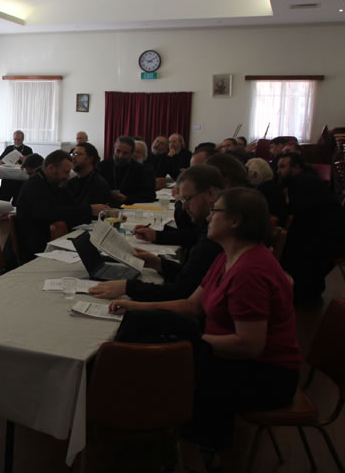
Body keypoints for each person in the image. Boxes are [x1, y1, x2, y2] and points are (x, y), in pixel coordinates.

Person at [110, 188, 301, 457]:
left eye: (215, 211)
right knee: (142, 325)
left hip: (266, 376)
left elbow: (250, 345)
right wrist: (137, 306)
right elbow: (192, 305)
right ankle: (148, 436)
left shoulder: (250, 272)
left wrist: (190, 342)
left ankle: (185, 450)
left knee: (163, 363)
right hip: (233, 357)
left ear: (235, 220)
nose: (209, 217)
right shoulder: (226, 256)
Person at [89, 164, 224, 302]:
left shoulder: (214, 238)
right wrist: (158, 263)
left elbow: (180, 292)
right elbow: (190, 277)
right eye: (182, 200)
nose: (183, 206)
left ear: (211, 194)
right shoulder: (209, 229)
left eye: (188, 199)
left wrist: (128, 287)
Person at [277, 152, 344, 305]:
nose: (278, 171)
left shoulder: (304, 183)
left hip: (331, 238)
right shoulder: (304, 179)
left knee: (293, 245)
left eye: (282, 167)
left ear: (296, 167)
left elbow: (300, 213)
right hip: (326, 233)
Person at [13, 150, 81, 264]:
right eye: (65, 172)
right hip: (33, 251)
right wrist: (88, 210)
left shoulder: (53, 183)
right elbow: (52, 213)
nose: (68, 176)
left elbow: (72, 206)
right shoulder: (34, 186)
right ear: (51, 168)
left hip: (47, 242)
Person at [96, 136, 156, 206]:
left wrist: (127, 199)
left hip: (130, 208)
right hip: (104, 207)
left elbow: (150, 195)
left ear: (131, 153)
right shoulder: (102, 166)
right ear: (114, 149)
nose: (120, 156)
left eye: (125, 153)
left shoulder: (141, 170)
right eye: (118, 151)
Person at [65, 142, 111, 224]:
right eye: (73, 154)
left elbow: (91, 215)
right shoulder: (70, 182)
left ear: (90, 159)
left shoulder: (98, 184)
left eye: (78, 154)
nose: (73, 158)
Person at [246, 157, 287, 226]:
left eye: (248, 173)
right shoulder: (273, 186)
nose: (247, 177)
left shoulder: (261, 191)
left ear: (255, 174)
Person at [0, 130, 33, 201]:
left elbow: (32, 165)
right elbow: (1, 159)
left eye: (18, 140)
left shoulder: (28, 149)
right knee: (3, 200)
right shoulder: (9, 148)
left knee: (18, 201)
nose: (16, 141)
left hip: (20, 180)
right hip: (8, 179)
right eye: (15, 139)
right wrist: (0, 161)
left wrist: (25, 160)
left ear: (22, 139)